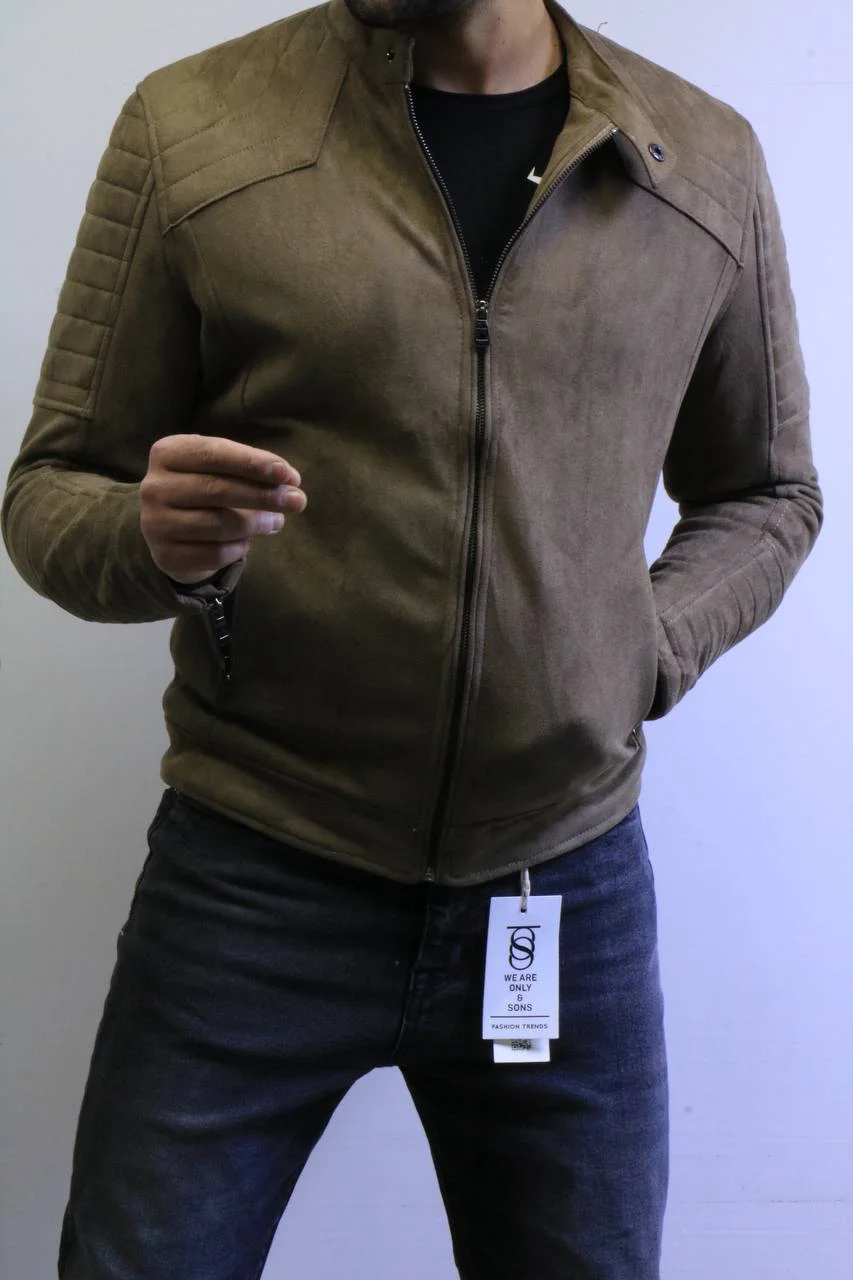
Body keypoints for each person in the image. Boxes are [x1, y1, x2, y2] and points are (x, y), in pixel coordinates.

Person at [1, 0, 822, 1276]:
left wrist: (641, 646)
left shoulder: (699, 162)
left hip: (561, 885)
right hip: (253, 872)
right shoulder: (194, 128)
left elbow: (767, 492)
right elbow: (50, 491)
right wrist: (147, 537)